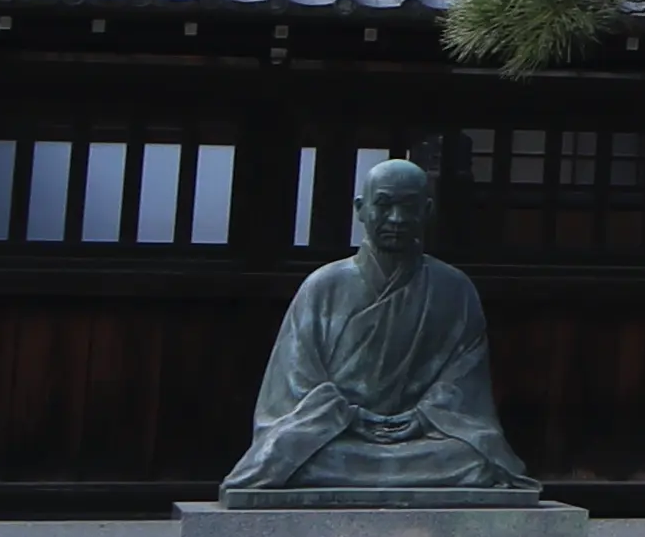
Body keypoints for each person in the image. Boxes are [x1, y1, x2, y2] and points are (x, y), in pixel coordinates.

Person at [219, 157, 537, 501]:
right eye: (384, 206)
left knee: (477, 460)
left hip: (421, 437)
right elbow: (297, 381)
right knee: (288, 455)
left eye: (409, 208)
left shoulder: (455, 289)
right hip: (336, 433)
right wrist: (349, 416)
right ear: (361, 208)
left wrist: (422, 417)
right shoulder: (323, 286)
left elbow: (464, 379)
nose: (397, 220)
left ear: (427, 211)